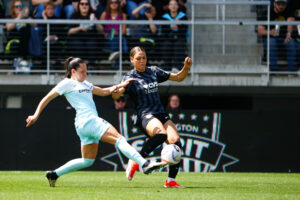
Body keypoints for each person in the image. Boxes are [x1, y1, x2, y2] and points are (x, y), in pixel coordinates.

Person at [25, 57, 165, 187]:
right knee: (119, 139)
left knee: (87, 160)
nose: (85, 74)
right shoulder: (67, 83)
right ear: (73, 71)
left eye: (86, 71)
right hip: (88, 121)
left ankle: (54, 174)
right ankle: (144, 164)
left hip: (83, 125)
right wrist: (36, 114)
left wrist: (122, 84)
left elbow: (104, 92)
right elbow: (47, 98)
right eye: (82, 71)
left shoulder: (85, 83)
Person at [112, 46, 192, 188]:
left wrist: (186, 67)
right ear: (131, 60)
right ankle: (136, 160)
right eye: (138, 58)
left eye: (144, 58)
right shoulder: (129, 77)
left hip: (161, 113)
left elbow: (179, 77)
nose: (142, 61)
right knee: (161, 135)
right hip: (145, 115)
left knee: (176, 142)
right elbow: (117, 95)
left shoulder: (153, 71)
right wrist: (117, 90)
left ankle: (170, 181)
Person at [257, 0, 296, 71]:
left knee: (291, 42)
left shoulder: (288, 12)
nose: (281, 6)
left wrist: (289, 34)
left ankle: (292, 70)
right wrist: (269, 32)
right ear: (274, 4)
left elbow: (291, 21)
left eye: (283, 4)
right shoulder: (267, 13)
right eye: (279, 3)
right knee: (271, 42)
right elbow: (260, 31)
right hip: (272, 39)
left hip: (284, 39)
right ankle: (274, 69)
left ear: (286, 5)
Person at [67, 0, 103, 65]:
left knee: (92, 43)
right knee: (78, 44)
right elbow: (69, 31)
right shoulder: (74, 15)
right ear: (79, 5)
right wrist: (80, 28)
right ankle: (78, 66)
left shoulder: (93, 15)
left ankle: (92, 66)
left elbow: (101, 30)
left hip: (91, 38)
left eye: (86, 4)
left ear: (89, 6)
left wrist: (96, 21)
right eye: (82, 4)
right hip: (77, 38)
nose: (84, 6)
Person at [161, 0, 188, 71]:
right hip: (168, 38)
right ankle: (167, 66)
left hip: (179, 38)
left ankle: (177, 66)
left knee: (179, 44)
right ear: (168, 6)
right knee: (166, 44)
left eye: (175, 4)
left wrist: (178, 26)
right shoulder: (164, 17)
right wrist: (171, 28)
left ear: (178, 6)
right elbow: (164, 31)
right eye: (171, 4)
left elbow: (184, 29)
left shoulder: (183, 16)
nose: (173, 6)